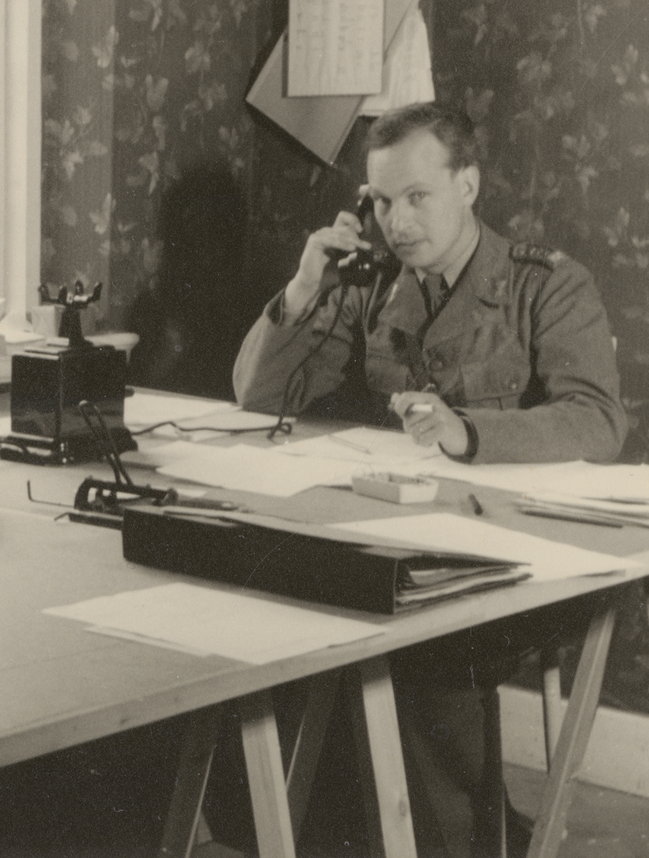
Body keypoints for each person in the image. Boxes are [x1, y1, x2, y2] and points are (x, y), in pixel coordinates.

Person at [232, 102, 627, 858]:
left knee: (417, 651)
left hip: (525, 559)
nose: (398, 222)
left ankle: (465, 843)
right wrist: (304, 287)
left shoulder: (548, 284)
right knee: (276, 616)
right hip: (406, 543)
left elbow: (597, 420)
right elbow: (260, 397)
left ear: (467, 185)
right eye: (382, 202)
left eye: (418, 196)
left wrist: (468, 432)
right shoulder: (372, 285)